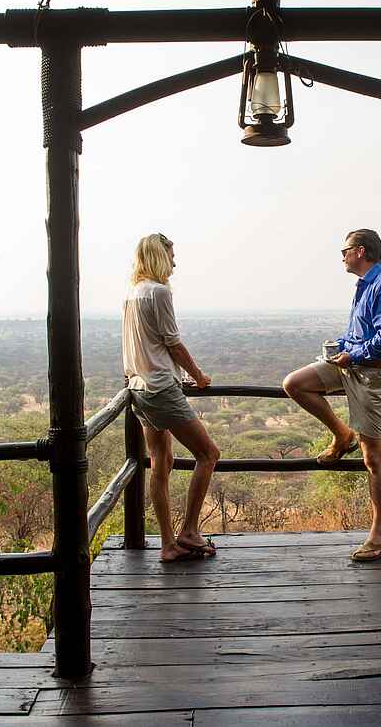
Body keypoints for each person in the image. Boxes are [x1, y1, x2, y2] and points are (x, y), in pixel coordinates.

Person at [282, 229, 381, 562]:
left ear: (361, 251)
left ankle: (379, 535)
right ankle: (342, 434)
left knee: (373, 459)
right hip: (351, 365)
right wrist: (342, 346)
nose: (342, 256)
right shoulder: (365, 285)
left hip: (372, 374)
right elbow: (362, 333)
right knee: (295, 383)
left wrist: (353, 354)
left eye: (345, 250)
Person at [122, 233, 222, 563]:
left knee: (160, 463)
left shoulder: (133, 293)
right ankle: (189, 531)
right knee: (208, 453)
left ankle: (168, 545)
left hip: (138, 387)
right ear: (159, 256)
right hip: (161, 387)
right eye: (171, 256)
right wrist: (199, 376)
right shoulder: (159, 292)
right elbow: (173, 343)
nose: (174, 263)